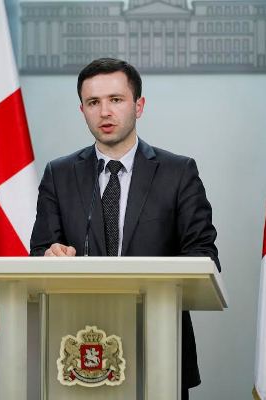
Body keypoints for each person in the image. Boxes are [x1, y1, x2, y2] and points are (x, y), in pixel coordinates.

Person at [30, 57, 220, 398]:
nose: (104, 112)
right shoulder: (59, 175)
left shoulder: (178, 173)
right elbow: (40, 251)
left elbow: (204, 256)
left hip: (160, 346)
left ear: (139, 106)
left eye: (115, 99)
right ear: (82, 110)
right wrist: (51, 255)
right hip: (80, 349)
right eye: (93, 102)